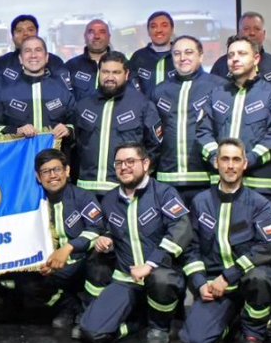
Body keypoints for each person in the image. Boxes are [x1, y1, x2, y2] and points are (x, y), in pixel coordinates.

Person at [77, 143, 193, 343]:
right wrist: (105, 241)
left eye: (130, 161)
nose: (124, 167)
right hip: (126, 280)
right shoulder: (110, 199)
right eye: (119, 163)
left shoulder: (164, 193)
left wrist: (150, 264)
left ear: (146, 163)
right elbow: (108, 231)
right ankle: (137, 324)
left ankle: (160, 327)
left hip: (160, 273)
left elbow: (181, 229)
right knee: (91, 333)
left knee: (162, 280)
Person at [180, 139, 271, 343]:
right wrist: (199, 284)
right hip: (213, 287)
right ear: (216, 163)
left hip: (245, 280)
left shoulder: (260, 204)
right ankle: (233, 322)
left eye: (236, 159)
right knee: (196, 341)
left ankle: (254, 333)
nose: (230, 165)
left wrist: (228, 276)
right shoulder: (200, 201)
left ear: (245, 164)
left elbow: (267, 247)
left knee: (261, 277)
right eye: (225, 159)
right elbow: (191, 248)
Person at [197, 35, 271, 196]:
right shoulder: (216, 94)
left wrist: (249, 159)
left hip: (260, 187)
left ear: (256, 58)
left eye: (241, 54)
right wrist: (218, 157)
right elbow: (202, 132)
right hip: (221, 186)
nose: (234, 59)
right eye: (230, 55)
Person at [29, 148, 110, 336]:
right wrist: (38, 262)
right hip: (51, 268)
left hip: (81, 264)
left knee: (100, 264)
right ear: (38, 177)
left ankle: (87, 312)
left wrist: (68, 248)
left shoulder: (83, 197)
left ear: (67, 171)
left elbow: (97, 229)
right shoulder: (32, 203)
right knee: (22, 279)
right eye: (46, 172)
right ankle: (67, 307)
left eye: (57, 169)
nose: (52, 176)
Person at [70, 52, 161, 193]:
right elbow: (75, 148)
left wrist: (138, 178)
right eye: (105, 72)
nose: (110, 77)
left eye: (116, 72)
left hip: (125, 191)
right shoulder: (83, 105)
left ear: (126, 74)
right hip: (86, 190)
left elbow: (155, 146)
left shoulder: (142, 105)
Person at [151, 35, 225, 205]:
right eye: (177, 53)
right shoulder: (160, 90)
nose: (182, 58)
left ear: (201, 55)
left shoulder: (218, 86)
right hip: (167, 178)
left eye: (188, 52)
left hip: (207, 178)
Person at [0, 36, 75, 143]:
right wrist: (16, 131)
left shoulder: (62, 92)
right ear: (20, 59)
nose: (33, 55)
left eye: (38, 50)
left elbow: (78, 125)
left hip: (55, 157)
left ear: (46, 57)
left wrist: (68, 129)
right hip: (21, 157)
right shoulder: (5, 93)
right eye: (27, 51)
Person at [210, 11, 271, 84]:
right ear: (239, 33)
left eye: (257, 29)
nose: (252, 33)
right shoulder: (221, 65)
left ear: (264, 34)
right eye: (246, 29)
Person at [0, 15, 68, 83]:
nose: (25, 34)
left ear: (37, 34)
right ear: (12, 37)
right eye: (19, 31)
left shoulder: (54, 62)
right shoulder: (2, 63)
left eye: (30, 30)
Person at [64, 19, 124, 100]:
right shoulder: (71, 66)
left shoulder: (123, 65)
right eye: (91, 32)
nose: (96, 36)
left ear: (109, 37)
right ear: (85, 37)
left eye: (102, 32)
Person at [130, 10, 175, 98]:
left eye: (164, 25)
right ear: (148, 31)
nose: (158, 30)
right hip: (144, 110)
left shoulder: (181, 56)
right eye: (153, 26)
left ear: (172, 29)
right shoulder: (138, 57)